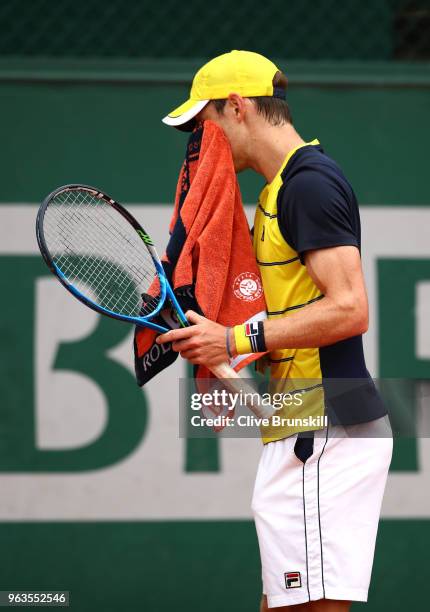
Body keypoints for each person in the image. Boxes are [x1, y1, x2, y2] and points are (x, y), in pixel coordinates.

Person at [158, 50, 392, 611]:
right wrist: (232, 358)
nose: (197, 144)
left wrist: (235, 341)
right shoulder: (275, 192)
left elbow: (351, 310)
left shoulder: (307, 186)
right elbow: (300, 319)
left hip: (326, 432)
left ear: (236, 108)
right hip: (302, 430)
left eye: (202, 125)